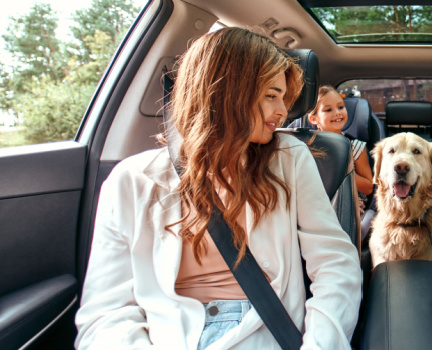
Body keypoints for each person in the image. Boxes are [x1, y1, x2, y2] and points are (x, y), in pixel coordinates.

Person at [75, 27, 362, 350]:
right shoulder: (130, 180)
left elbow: (335, 264)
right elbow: (106, 313)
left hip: (268, 332)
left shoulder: (290, 160)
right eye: (271, 95)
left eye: (283, 97)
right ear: (224, 91)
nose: (282, 111)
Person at [307, 85, 374, 215]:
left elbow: (368, 188)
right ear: (313, 118)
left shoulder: (356, 147)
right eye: (328, 110)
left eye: (341, 107)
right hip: (315, 204)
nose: (337, 112)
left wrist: (339, 170)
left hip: (348, 204)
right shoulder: (307, 148)